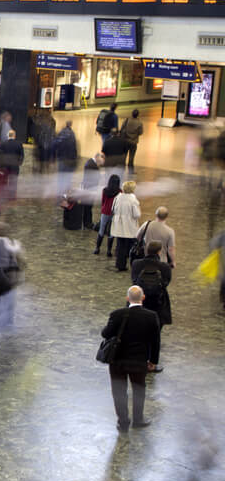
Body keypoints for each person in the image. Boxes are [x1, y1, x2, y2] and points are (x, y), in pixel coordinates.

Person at [102, 286, 160, 431]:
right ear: (143, 298)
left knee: (119, 391)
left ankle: (123, 422)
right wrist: (153, 361)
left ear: (127, 298)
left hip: (118, 361)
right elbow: (156, 341)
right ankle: (138, 420)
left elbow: (105, 334)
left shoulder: (117, 314)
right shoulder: (151, 316)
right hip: (139, 361)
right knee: (139, 390)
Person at [131, 240, 173, 337]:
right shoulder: (165, 267)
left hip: (140, 300)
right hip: (158, 302)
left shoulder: (136, 264)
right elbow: (166, 282)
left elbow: (134, 280)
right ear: (159, 252)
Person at [111, 180, 141, 272]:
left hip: (119, 225)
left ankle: (120, 264)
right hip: (129, 225)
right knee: (132, 245)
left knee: (120, 245)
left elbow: (112, 209)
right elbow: (137, 214)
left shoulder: (118, 197)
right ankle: (133, 264)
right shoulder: (133, 200)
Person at [94, 174, 121, 257]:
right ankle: (109, 251)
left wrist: (103, 208)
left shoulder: (105, 190)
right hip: (114, 213)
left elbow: (103, 201)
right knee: (111, 231)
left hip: (105, 211)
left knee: (101, 230)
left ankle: (97, 248)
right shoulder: (119, 192)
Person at [81, 153, 104, 230]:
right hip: (89, 188)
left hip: (88, 188)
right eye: (101, 161)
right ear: (97, 157)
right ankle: (87, 223)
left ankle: (87, 222)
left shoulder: (91, 163)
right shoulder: (92, 165)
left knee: (88, 207)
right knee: (88, 207)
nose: (102, 163)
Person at [0, 130, 24, 199]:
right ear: (14, 135)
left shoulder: (3, 143)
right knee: (13, 181)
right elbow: (21, 155)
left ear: (8, 135)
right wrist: (19, 163)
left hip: (4, 165)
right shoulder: (19, 144)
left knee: (4, 180)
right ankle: (12, 196)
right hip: (14, 165)